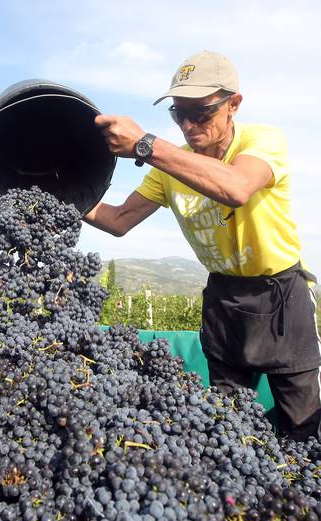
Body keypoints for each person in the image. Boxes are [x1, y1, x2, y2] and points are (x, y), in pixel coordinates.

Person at [84, 50, 321, 441]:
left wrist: (146, 144)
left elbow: (236, 187)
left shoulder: (260, 141)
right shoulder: (170, 170)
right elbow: (117, 220)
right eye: (179, 114)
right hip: (224, 300)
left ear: (234, 105)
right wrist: (65, 193)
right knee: (227, 428)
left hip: (281, 297)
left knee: (303, 425)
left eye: (202, 113)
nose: (189, 125)